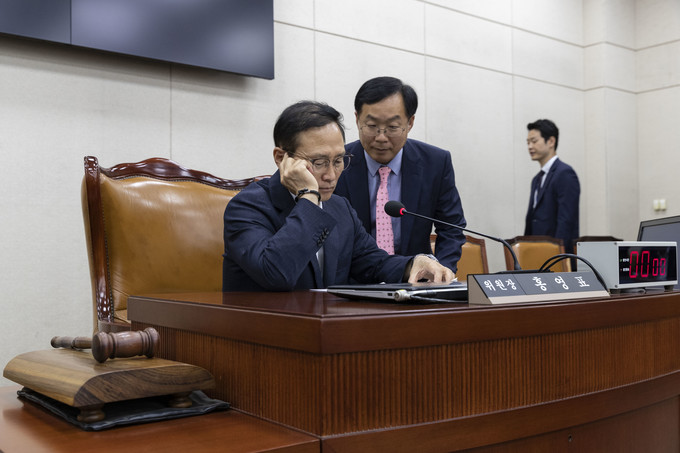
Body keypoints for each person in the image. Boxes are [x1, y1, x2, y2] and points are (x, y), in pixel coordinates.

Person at [222, 100, 455, 291]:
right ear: (281, 158)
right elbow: (276, 273)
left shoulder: (339, 207)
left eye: (338, 161)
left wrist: (414, 263)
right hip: (266, 329)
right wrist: (308, 196)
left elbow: (374, 263)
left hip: (325, 326)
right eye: (319, 162)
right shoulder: (247, 207)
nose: (331, 176)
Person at [334, 76, 466, 273]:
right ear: (357, 119)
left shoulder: (435, 163)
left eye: (392, 127)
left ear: (410, 122)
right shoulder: (337, 163)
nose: (381, 137)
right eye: (371, 126)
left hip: (415, 279)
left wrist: (440, 272)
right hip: (351, 280)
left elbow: (451, 227)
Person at [524, 119, 580, 255]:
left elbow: (566, 221)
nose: (530, 146)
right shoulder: (536, 180)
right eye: (528, 142)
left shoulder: (565, 173)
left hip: (556, 256)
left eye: (534, 141)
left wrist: (557, 255)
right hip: (536, 254)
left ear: (551, 141)